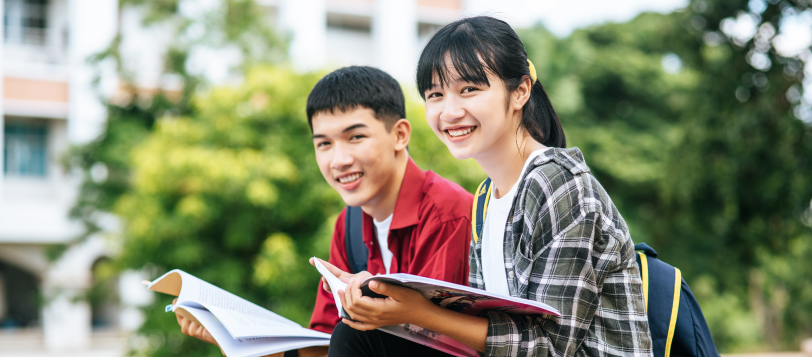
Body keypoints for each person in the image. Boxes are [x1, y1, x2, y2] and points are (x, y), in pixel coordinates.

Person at [319, 16, 653, 357]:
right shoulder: (484, 199)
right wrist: (377, 298)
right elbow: (488, 327)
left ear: (520, 91)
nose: (449, 112)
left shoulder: (557, 184)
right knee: (357, 334)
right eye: (435, 94)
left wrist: (422, 314)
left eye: (469, 89)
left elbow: (551, 348)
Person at [174, 66, 474, 357]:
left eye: (355, 137)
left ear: (399, 135)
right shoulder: (351, 224)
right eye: (324, 144)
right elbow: (328, 343)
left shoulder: (448, 213)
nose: (339, 159)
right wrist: (234, 338)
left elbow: (436, 343)